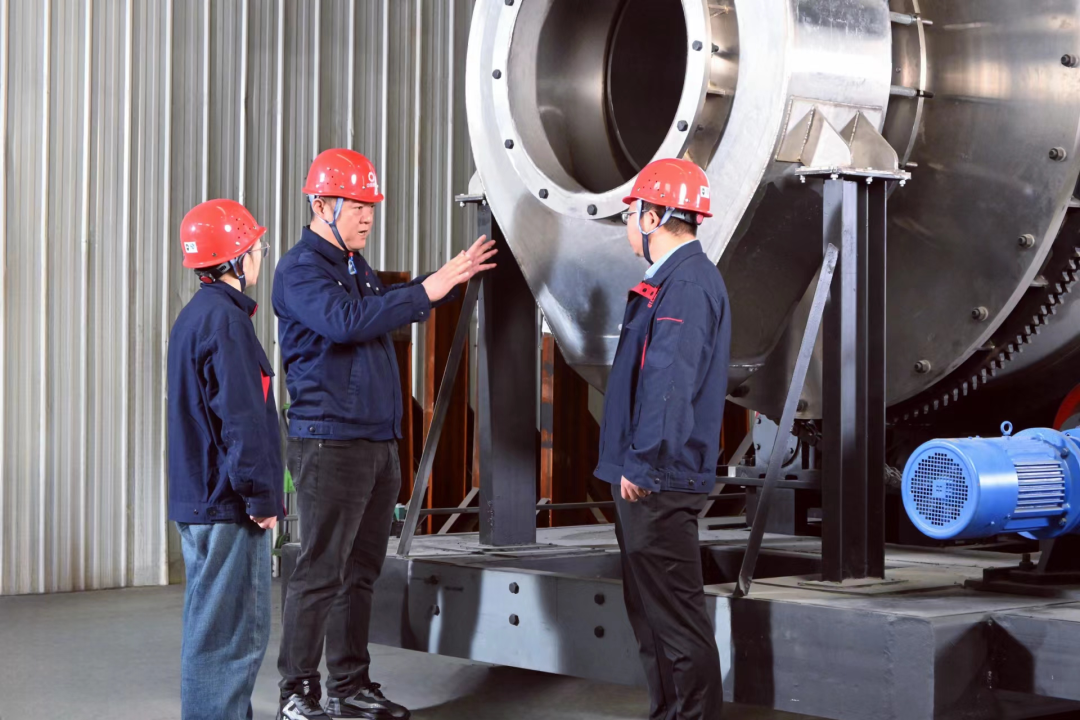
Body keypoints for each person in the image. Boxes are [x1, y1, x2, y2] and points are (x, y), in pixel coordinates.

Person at [274, 148, 496, 720]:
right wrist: (429, 289)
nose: (368, 216)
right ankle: (297, 694)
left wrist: (446, 278)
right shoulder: (300, 271)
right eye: (356, 206)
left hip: (375, 441)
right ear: (321, 205)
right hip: (330, 441)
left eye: (371, 205)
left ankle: (349, 686)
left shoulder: (354, 266)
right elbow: (347, 322)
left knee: (360, 574)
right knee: (320, 572)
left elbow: (378, 308)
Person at [594, 157, 732, 719]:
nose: (629, 223)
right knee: (652, 618)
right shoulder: (671, 281)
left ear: (653, 217)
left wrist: (645, 463)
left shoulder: (687, 285)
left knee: (676, 622)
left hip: (658, 482)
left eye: (632, 213)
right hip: (647, 477)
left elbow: (669, 382)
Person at [167, 198, 284, 720]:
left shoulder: (194, 317)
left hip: (200, 501)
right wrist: (261, 496)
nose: (260, 254)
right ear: (235, 258)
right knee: (232, 640)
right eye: (256, 247)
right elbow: (241, 417)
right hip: (229, 504)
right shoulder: (227, 322)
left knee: (209, 632)